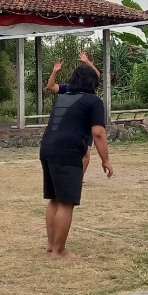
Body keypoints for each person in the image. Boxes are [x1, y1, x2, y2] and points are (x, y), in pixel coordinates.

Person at [40, 64, 113, 259]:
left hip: (47, 148)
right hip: (67, 153)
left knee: (54, 198)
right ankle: (59, 250)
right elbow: (98, 132)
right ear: (93, 83)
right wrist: (106, 160)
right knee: (67, 202)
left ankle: (51, 244)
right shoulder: (93, 101)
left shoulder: (63, 97)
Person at [45, 50, 101, 176]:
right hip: (71, 125)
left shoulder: (89, 89)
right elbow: (51, 86)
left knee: (86, 153)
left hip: (86, 125)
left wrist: (87, 62)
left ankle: (78, 177)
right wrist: (55, 71)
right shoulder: (68, 89)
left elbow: (97, 75)